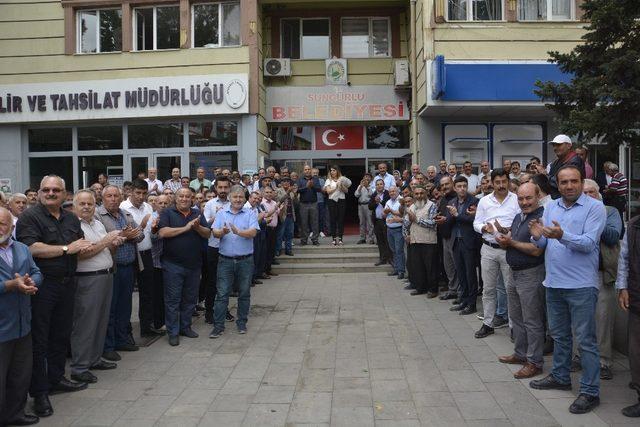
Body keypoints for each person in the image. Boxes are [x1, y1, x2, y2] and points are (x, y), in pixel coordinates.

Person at [528, 165, 606, 414]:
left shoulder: (595, 208)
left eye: (574, 181)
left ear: (583, 182)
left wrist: (561, 235)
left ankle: (590, 391)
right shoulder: (551, 206)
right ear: (557, 185)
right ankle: (560, 377)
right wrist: (536, 235)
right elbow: (543, 241)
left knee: (585, 342)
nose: (569, 186)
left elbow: (588, 244)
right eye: (564, 182)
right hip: (554, 283)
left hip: (581, 286)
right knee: (560, 337)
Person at [16, 176, 93, 418]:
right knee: (40, 341)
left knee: (60, 336)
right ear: (39, 192)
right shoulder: (30, 217)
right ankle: (39, 392)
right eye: (46, 189)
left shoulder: (70, 217)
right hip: (43, 287)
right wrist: (65, 250)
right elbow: (30, 248)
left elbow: (79, 245)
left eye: (56, 190)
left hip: (67, 284)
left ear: (64, 194)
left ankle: (57, 378)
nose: (51, 193)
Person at [70, 190, 123, 384]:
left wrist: (114, 243)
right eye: (82, 204)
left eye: (90, 204)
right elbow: (81, 254)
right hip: (87, 279)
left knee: (100, 321)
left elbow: (105, 248)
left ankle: (94, 358)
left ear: (95, 205)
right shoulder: (73, 226)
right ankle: (80, 367)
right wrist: (106, 241)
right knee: (85, 324)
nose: (86, 207)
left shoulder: (97, 223)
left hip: (105, 276)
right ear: (74, 206)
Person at [495, 183, 545, 379]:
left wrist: (511, 243)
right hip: (514, 272)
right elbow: (514, 241)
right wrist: (505, 240)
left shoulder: (540, 218)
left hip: (531, 273)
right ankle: (521, 353)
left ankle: (534, 362)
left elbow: (537, 250)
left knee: (532, 320)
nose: (524, 202)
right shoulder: (519, 217)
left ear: (538, 196)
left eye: (528, 198)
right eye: (521, 199)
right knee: (516, 317)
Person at [0, 207, 42, 426]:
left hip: (22, 324)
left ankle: (15, 414)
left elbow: (35, 271)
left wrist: (33, 281)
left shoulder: (22, 248)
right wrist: (10, 285)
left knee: (20, 374)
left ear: (12, 226)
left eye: (2, 224)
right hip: (1, 327)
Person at [157, 188, 211, 346]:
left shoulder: (197, 213)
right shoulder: (167, 212)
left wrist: (197, 227)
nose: (184, 199)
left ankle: (185, 327)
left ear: (192, 199)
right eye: (181, 196)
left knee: (189, 299)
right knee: (173, 300)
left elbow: (208, 233)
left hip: (194, 265)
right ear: (175, 198)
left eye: (188, 196)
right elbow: (163, 233)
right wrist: (186, 228)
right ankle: (173, 332)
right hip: (173, 265)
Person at [97, 185, 144, 362]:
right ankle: (108, 346)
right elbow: (101, 240)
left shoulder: (125, 214)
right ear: (102, 198)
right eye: (109, 196)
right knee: (110, 308)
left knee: (125, 307)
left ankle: (122, 339)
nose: (113, 199)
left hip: (128, 267)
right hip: (111, 268)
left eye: (116, 195)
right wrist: (125, 236)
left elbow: (140, 235)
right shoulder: (97, 215)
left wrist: (131, 235)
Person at [582, 179, 622, 381]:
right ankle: (578, 356)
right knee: (580, 319)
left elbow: (614, 236)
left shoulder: (610, 212)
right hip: (579, 273)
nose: (588, 196)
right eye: (585, 193)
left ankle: (604, 361)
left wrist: (596, 219)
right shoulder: (577, 211)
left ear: (599, 194)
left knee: (603, 318)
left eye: (591, 192)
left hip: (601, 273)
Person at [473, 169, 520, 338]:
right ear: (492, 183)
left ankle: (514, 327)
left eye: (504, 181)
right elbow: (476, 223)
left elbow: (521, 223)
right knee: (489, 289)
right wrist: (484, 228)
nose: (501, 185)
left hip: (509, 249)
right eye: (497, 182)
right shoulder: (485, 201)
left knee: (510, 289)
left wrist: (509, 230)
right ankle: (488, 323)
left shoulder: (516, 199)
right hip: (488, 249)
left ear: (508, 182)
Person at [209, 186, 260, 338]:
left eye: (241, 197)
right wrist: (222, 232)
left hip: (245, 260)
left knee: (244, 293)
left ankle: (241, 322)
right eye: (235, 197)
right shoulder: (221, 213)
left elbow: (253, 232)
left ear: (245, 199)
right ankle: (218, 326)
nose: (238, 199)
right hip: (225, 260)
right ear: (230, 198)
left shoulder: (250, 213)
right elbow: (215, 232)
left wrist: (239, 232)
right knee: (222, 293)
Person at [120, 179, 160, 338]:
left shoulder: (148, 207)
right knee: (127, 294)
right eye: (138, 193)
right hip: (131, 255)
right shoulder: (122, 208)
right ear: (130, 192)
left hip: (147, 253)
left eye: (144, 193)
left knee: (147, 292)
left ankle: (146, 327)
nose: (141, 196)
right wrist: (141, 227)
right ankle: (126, 330)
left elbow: (151, 232)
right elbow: (128, 234)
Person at [615, 214, 640, 418]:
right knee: (636, 351)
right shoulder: (633, 225)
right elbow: (623, 259)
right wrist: (622, 287)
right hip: (637, 298)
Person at [201, 176, 234, 325]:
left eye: (225, 187)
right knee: (211, 281)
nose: (222, 190)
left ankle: (224, 309)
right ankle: (209, 312)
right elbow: (206, 225)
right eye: (220, 188)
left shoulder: (235, 203)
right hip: (213, 247)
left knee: (226, 281)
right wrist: (217, 215)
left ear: (229, 188)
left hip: (229, 248)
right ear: (215, 189)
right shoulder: (210, 204)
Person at [445, 176, 480, 315]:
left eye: (464, 186)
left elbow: (473, 219)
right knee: (461, 273)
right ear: (454, 188)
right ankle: (464, 300)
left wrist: (457, 215)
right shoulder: (452, 201)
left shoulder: (474, 201)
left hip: (468, 242)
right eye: (459, 186)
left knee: (470, 273)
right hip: (456, 241)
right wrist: (444, 219)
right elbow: (451, 220)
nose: (462, 189)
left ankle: (472, 304)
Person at [406, 186, 438, 297]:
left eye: (421, 193)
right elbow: (406, 223)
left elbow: (433, 223)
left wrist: (417, 220)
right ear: (413, 195)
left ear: (426, 194)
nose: (419, 196)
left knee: (430, 267)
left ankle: (433, 290)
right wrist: (407, 234)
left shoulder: (432, 205)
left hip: (428, 241)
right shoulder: (411, 206)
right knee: (418, 266)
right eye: (416, 194)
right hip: (415, 240)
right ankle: (420, 288)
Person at [435, 176, 458, 301]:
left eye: (446, 184)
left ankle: (460, 292)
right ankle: (452, 290)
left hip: (455, 237)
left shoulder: (457, 198)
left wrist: (447, 219)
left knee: (457, 266)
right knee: (448, 266)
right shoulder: (444, 199)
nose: (444, 187)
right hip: (445, 237)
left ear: (452, 183)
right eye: (442, 185)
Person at [547, 134, 585, 199]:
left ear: (569, 146)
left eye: (559, 145)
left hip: (570, 200)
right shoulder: (557, 161)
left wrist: (545, 177)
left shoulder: (575, 161)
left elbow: (562, 181)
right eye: (554, 145)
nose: (555, 148)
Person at [324, 165, 352, 246]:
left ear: (337, 171)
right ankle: (333, 239)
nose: (332, 172)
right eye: (331, 170)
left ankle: (340, 239)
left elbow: (346, 191)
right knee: (333, 220)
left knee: (341, 220)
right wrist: (336, 187)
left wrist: (341, 186)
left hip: (341, 201)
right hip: (332, 201)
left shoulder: (342, 179)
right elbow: (328, 191)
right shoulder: (328, 180)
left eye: (334, 170)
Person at [297, 165, 322, 246]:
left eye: (308, 169)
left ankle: (315, 240)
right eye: (305, 169)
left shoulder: (315, 179)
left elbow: (319, 189)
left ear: (310, 170)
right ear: (303, 171)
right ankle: (304, 240)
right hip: (303, 204)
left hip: (313, 204)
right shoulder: (300, 180)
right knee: (304, 223)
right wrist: (306, 187)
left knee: (315, 222)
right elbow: (297, 190)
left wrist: (312, 186)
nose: (307, 171)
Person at [369, 179, 391, 266]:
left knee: (387, 241)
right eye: (377, 184)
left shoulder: (388, 193)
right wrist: (375, 202)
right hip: (377, 221)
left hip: (386, 221)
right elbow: (370, 207)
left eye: (381, 184)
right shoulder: (374, 194)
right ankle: (382, 259)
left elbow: (388, 204)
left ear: (384, 185)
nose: (379, 186)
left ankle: (390, 259)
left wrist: (380, 201)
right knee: (380, 241)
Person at [384, 187, 404, 279]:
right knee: (393, 250)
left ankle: (401, 271)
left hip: (398, 229)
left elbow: (402, 214)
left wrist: (391, 211)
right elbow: (383, 214)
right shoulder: (388, 202)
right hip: (389, 228)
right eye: (390, 192)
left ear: (397, 192)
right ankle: (396, 269)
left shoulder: (401, 200)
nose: (391, 193)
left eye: (393, 191)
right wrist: (384, 213)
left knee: (399, 250)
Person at [261, 186, 279, 276]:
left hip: (274, 229)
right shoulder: (261, 203)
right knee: (265, 250)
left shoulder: (274, 202)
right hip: (266, 229)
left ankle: (269, 269)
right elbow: (265, 216)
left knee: (272, 250)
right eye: (267, 192)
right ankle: (263, 270)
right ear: (263, 193)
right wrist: (276, 208)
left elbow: (279, 213)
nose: (269, 194)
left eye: (270, 192)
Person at [275, 178, 296, 256]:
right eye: (284, 181)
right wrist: (287, 192)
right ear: (281, 183)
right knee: (280, 234)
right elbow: (279, 200)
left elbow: (295, 203)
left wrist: (295, 193)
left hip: (291, 215)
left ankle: (288, 250)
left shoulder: (291, 192)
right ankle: (278, 250)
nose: (286, 183)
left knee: (290, 234)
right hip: (282, 216)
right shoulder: (278, 190)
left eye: (288, 181)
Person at [354, 174, 374, 244]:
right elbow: (356, 195)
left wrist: (367, 187)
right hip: (360, 205)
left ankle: (371, 238)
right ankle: (362, 238)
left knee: (370, 223)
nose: (366, 179)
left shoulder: (372, 186)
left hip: (368, 205)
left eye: (368, 177)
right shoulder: (360, 186)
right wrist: (360, 187)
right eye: (365, 177)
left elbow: (371, 195)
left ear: (371, 179)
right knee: (362, 222)